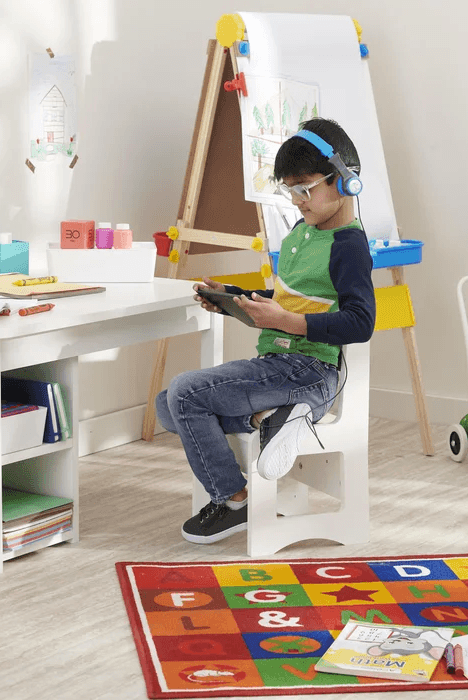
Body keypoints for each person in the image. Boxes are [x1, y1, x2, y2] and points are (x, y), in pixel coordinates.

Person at [154, 117, 376, 544]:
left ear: (346, 181)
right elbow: (287, 298)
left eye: (305, 189)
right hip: (278, 363)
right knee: (170, 405)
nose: (297, 201)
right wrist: (235, 298)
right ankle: (278, 415)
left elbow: (361, 322)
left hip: (309, 369)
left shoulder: (349, 246)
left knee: (186, 393)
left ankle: (235, 500)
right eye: (290, 190)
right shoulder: (302, 233)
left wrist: (287, 323)